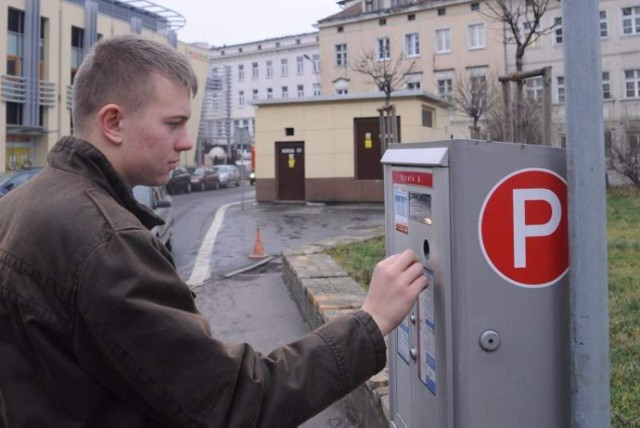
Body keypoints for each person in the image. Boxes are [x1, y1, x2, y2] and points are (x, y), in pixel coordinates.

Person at [0, 34, 427, 427]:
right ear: (113, 123)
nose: (187, 142)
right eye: (173, 123)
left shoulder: (19, 206)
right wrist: (369, 321)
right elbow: (233, 403)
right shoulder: (105, 244)